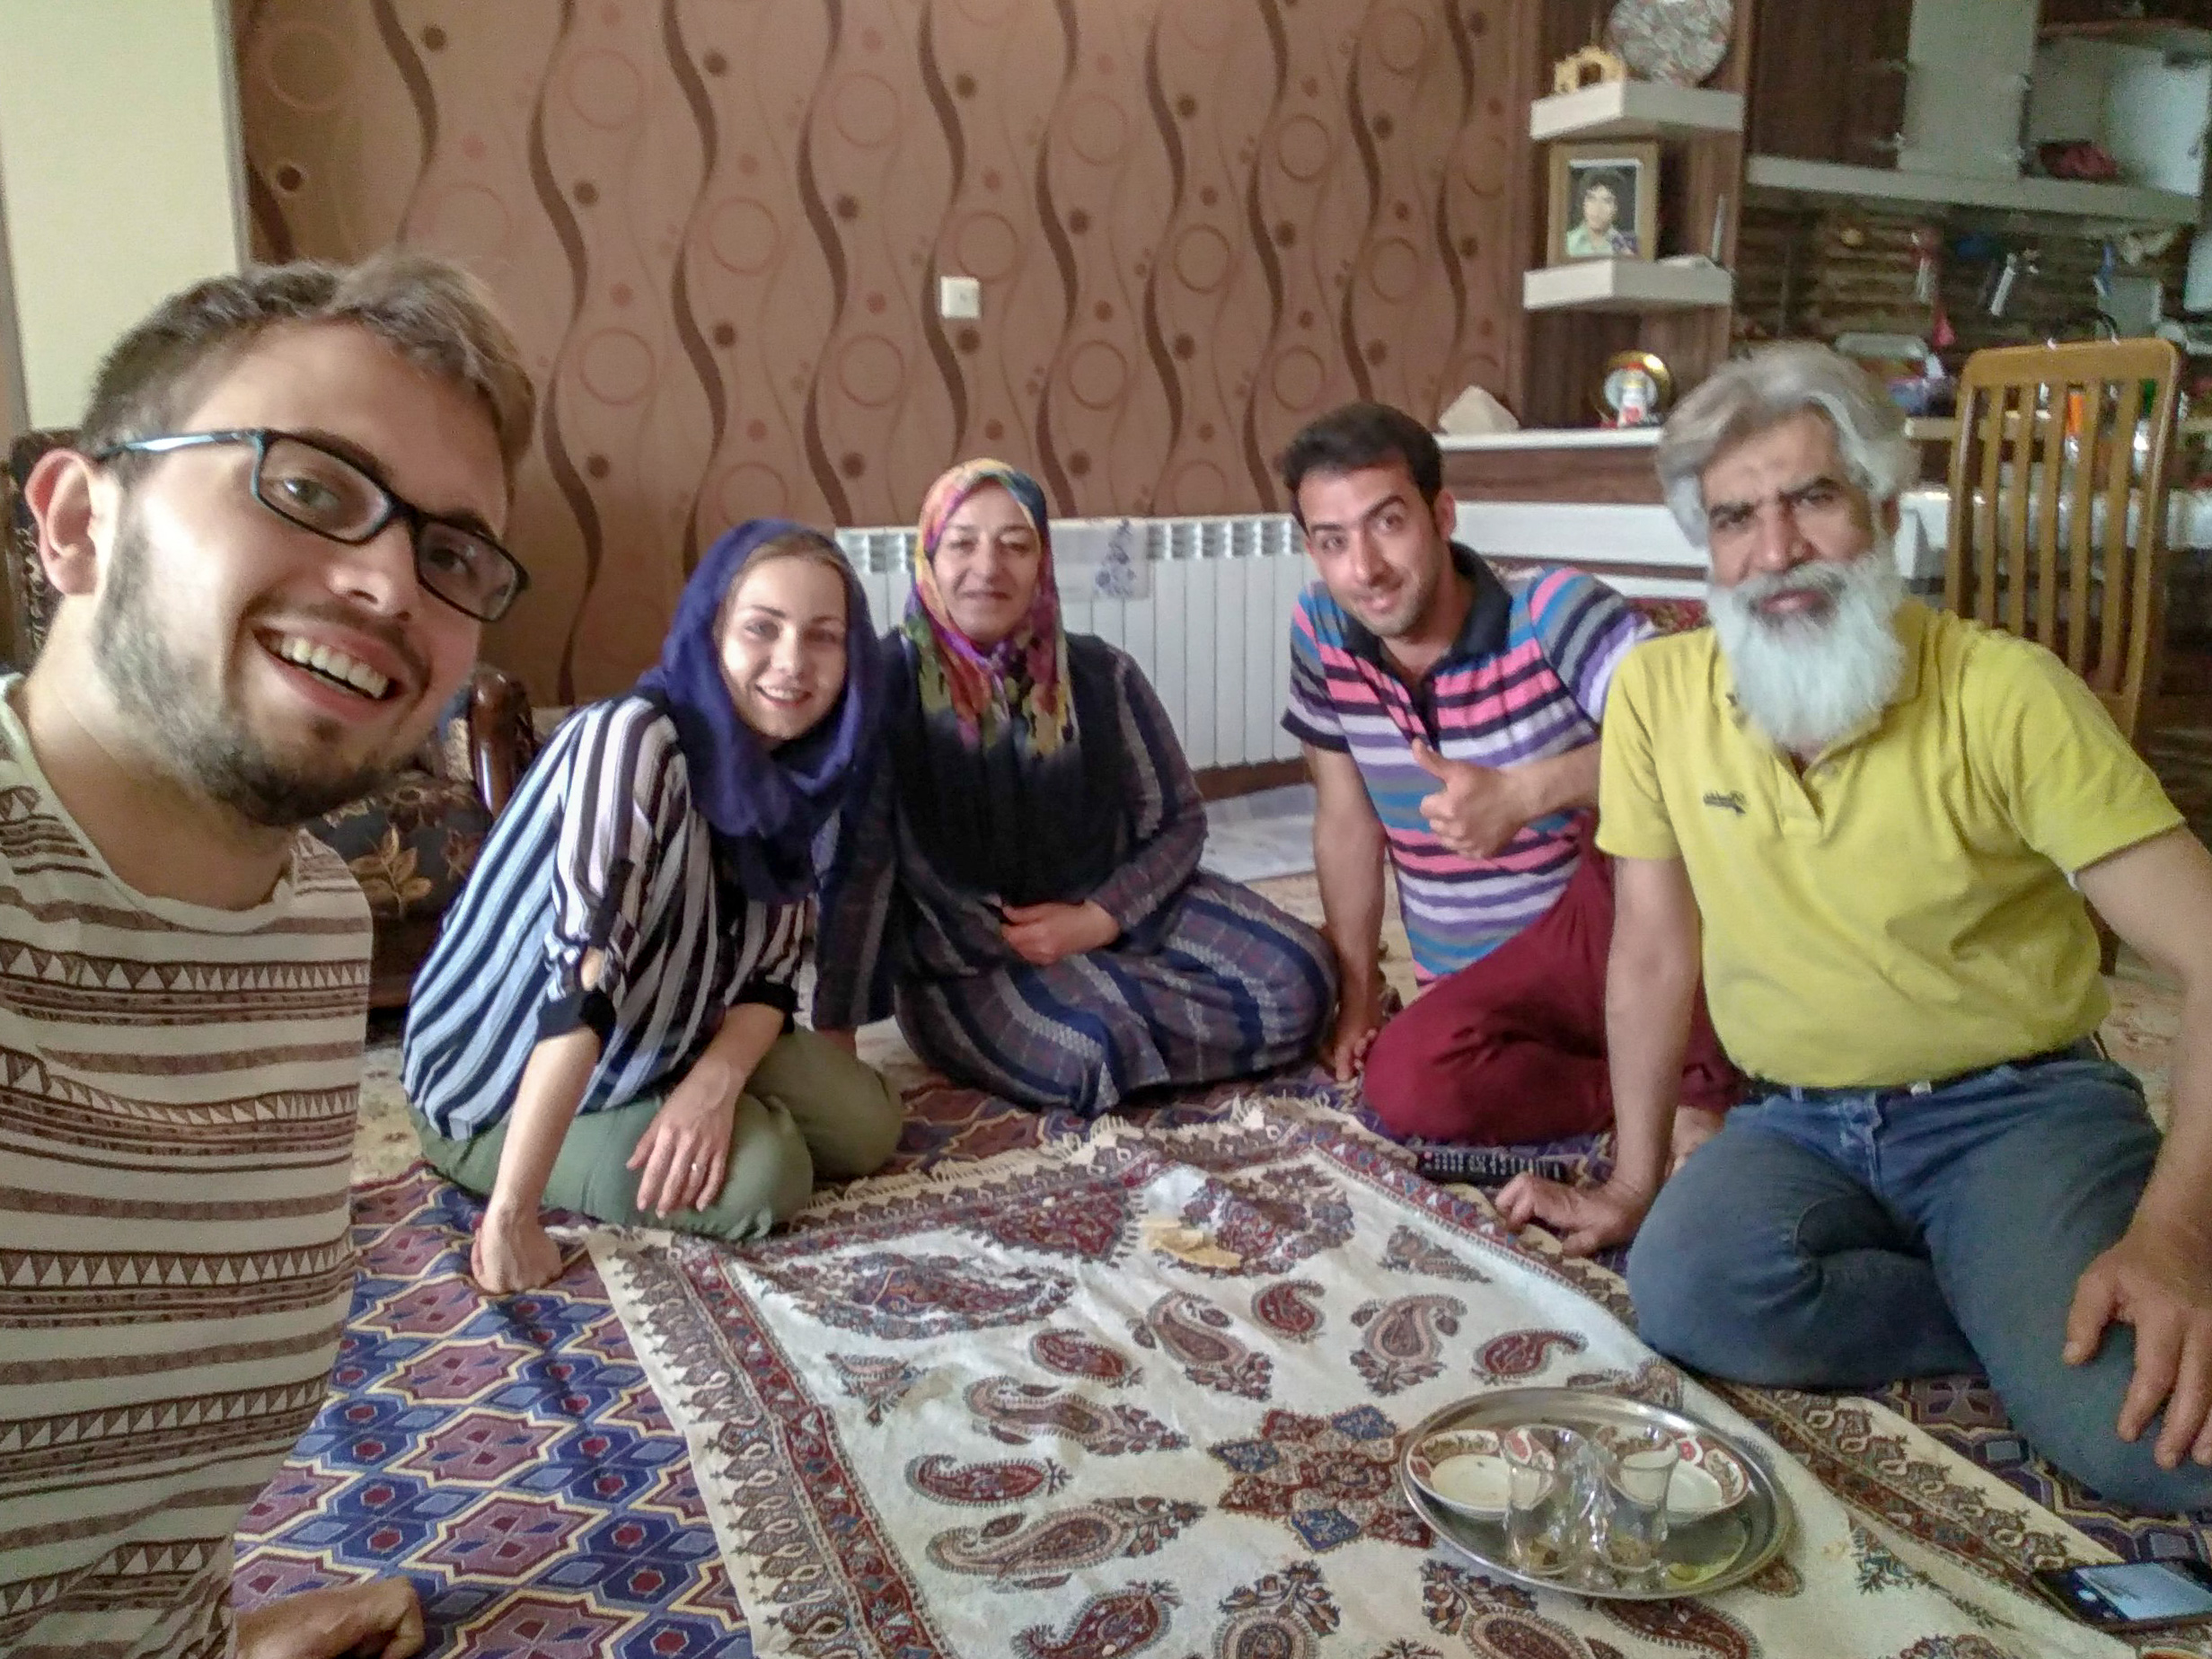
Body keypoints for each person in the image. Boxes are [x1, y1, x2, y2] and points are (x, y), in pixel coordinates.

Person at [1500, 342, 2212, 1513]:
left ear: (1883, 511)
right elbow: (1651, 952)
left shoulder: (2004, 691)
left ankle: (2030, 1290)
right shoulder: (1656, 696)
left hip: (2013, 1109)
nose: (1774, 549)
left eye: (1812, 498)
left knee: (2149, 1441)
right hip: (1798, 1118)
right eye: (1734, 518)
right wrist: (1631, 1180)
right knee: (1685, 1290)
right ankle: (1994, 1302)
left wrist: (2173, 1237)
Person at [0, 253, 534, 1657]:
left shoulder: (311, 919)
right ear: (77, 520)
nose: (387, 582)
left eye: (451, 554)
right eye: (309, 484)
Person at [402, 522, 904, 1293]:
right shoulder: (634, 740)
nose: (792, 662)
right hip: (497, 1075)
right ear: (712, 630)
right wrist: (510, 1215)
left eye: (824, 636)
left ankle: (675, 1092)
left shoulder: (802, 770)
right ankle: (522, 1148)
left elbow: (772, 976)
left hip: (672, 1023)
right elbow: (579, 990)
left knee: (867, 1125)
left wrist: (713, 1084)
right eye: (761, 628)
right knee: (766, 1176)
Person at [814, 459, 1334, 1117]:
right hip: (972, 958)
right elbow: (855, 870)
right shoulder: (881, 692)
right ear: (928, 557)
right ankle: (1114, 1009)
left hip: (1120, 910)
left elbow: (1178, 820)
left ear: (1042, 561)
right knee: (1088, 1048)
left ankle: (1110, 995)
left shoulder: (1102, 674)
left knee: (1302, 976)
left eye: (1015, 544)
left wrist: (1096, 920)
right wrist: (837, 1028)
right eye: (962, 543)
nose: (987, 567)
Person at [1281, 402, 1737, 1146]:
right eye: (1333, 541)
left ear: (1441, 514)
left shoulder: (1551, 610)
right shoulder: (1321, 630)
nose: (1364, 568)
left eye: (1387, 523)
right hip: (1481, 984)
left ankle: (1693, 1080)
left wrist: (1526, 792)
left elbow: (1706, 739)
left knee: (1658, 822)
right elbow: (1344, 818)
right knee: (1405, 1084)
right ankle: (1642, 1085)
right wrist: (1359, 995)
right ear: (1310, 548)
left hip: (1604, 933)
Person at [1564, 170, 1637, 259]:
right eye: (1591, 198)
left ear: (1617, 207)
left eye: (1607, 201)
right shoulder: (1565, 242)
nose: (1597, 208)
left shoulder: (1627, 247)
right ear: (1582, 202)